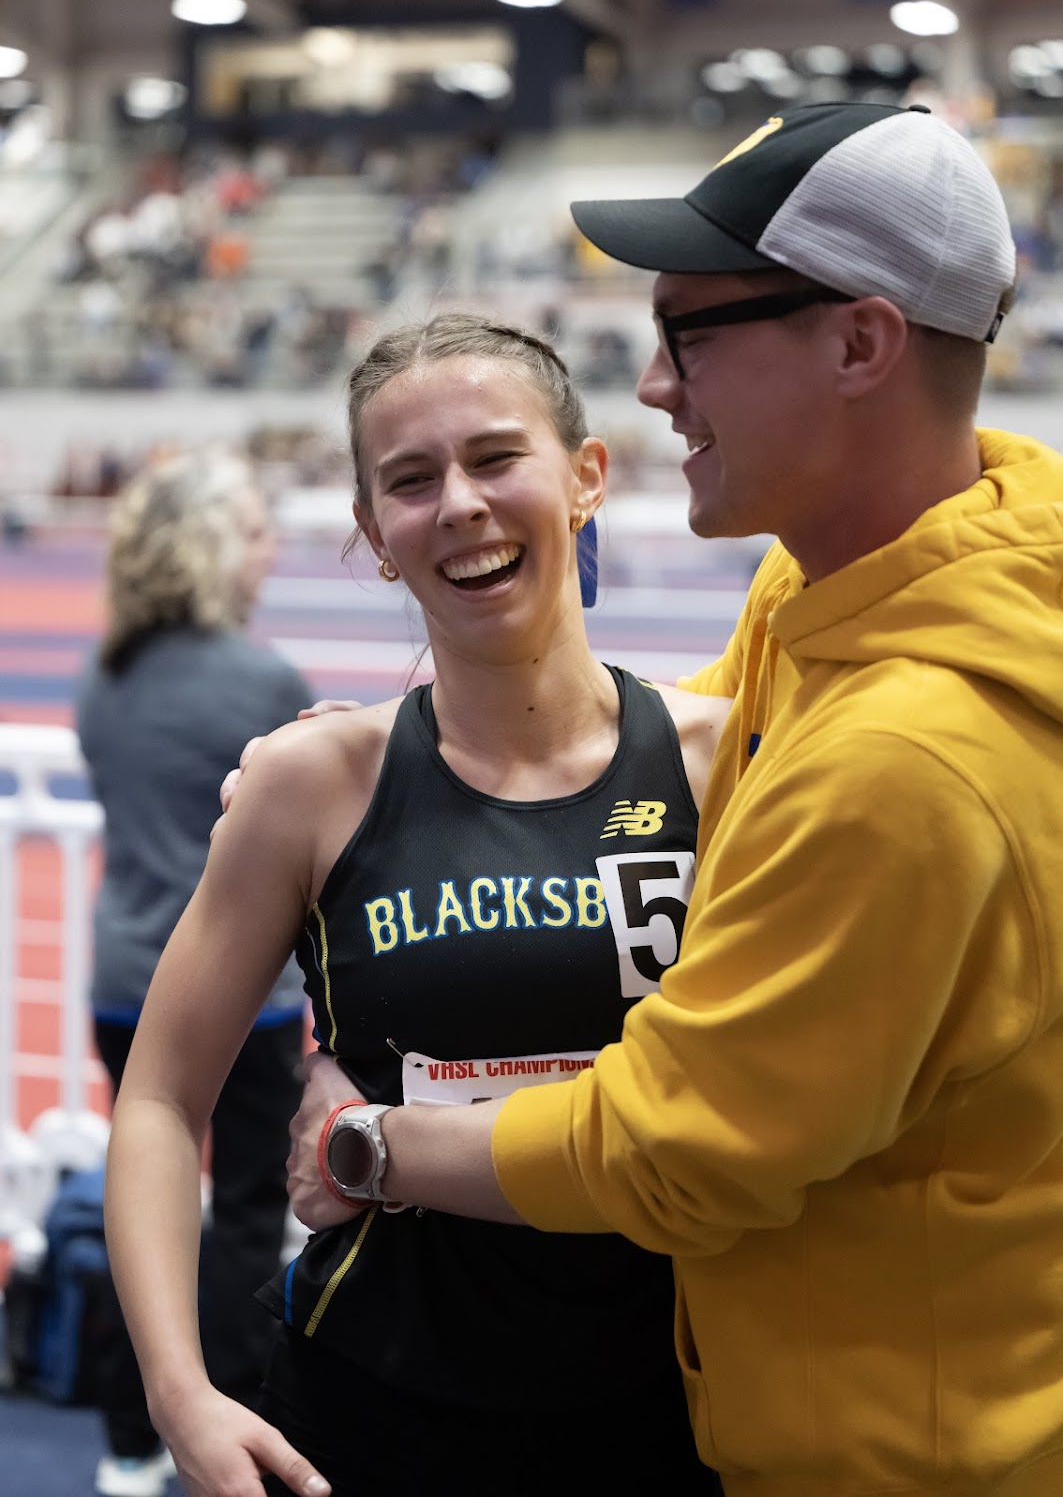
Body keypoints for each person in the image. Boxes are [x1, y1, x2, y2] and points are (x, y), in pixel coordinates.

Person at [271, 102, 1063, 1495]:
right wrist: (411, 752)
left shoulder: (906, 760)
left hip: (887, 1458)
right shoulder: (877, 579)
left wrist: (368, 1143)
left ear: (859, 344)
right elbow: (689, 736)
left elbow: (668, 1151)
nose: (650, 386)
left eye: (689, 334)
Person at [102, 315, 731, 1497]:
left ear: (586, 477)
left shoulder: (725, 761)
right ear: (372, 535)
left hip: (681, 1406)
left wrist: (372, 1146)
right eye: (410, 480)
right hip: (369, 1409)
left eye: (496, 458)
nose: (460, 505)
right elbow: (158, 1098)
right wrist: (179, 1395)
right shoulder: (310, 782)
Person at [77, 449, 313, 1497]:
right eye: (256, 533)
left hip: (122, 977)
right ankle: (234, 1430)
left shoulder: (103, 676)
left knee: (143, 1208)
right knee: (249, 1213)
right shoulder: (260, 682)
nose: (269, 553)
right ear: (212, 548)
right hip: (238, 993)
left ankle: (129, 1438)